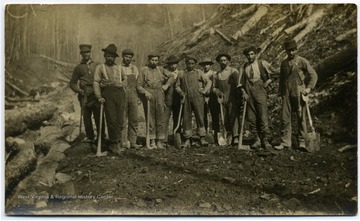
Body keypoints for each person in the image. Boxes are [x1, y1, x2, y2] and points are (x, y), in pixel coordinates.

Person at [274, 39, 318, 150]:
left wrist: (308, 88)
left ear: (296, 50)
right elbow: (282, 80)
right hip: (286, 92)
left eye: (293, 50)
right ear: (286, 51)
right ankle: (285, 142)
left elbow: (313, 75)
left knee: (300, 117)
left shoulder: (302, 61)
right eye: (289, 51)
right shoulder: (284, 63)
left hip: (299, 91)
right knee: (285, 117)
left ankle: (302, 142)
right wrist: (280, 94)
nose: (291, 53)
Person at [238, 46, 277, 149]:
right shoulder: (244, 67)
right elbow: (240, 83)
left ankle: (265, 139)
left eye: (252, 54)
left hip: (260, 90)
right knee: (251, 117)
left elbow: (275, 72)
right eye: (248, 55)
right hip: (248, 91)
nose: (250, 56)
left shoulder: (262, 63)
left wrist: (268, 81)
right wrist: (243, 92)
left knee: (263, 114)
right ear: (246, 56)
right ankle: (257, 139)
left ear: (255, 54)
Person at [93, 44, 127, 154]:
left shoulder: (120, 68)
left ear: (115, 57)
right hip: (108, 94)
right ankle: (113, 144)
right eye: (108, 56)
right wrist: (99, 96)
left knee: (120, 120)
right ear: (105, 56)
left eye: (112, 56)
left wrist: (122, 84)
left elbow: (125, 80)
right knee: (112, 120)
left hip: (120, 94)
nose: (110, 58)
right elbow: (96, 82)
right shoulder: (100, 68)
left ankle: (118, 141)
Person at [137, 53, 174, 149]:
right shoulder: (143, 70)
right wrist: (145, 92)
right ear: (149, 60)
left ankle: (159, 140)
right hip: (149, 94)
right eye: (152, 60)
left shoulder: (160, 69)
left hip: (159, 93)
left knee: (160, 117)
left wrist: (166, 85)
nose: (154, 62)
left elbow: (172, 76)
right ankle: (152, 140)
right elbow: (138, 85)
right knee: (150, 118)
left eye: (156, 60)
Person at [70, 44, 104, 144]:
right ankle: (90, 136)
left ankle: (101, 137)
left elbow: (103, 78)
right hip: (84, 94)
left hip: (96, 92)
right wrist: (78, 90)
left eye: (87, 52)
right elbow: (72, 83)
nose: (86, 54)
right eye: (84, 53)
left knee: (99, 115)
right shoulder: (78, 68)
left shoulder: (97, 65)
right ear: (81, 54)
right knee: (86, 115)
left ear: (90, 53)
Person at [175, 55, 211, 147]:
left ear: (195, 64)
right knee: (186, 118)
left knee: (200, 116)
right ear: (186, 64)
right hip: (186, 97)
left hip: (198, 97)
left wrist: (204, 90)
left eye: (192, 63)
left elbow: (209, 82)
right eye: (189, 63)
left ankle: (202, 138)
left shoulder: (199, 72)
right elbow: (177, 86)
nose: (190, 65)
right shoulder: (181, 73)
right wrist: (181, 93)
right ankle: (187, 139)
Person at [212, 53, 241, 145]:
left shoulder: (233, 71)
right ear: (218, 62)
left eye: (225, 60)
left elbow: (239, 84)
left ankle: (236, 136)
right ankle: (229, 135)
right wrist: (216, 91)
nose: (223, 62)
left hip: (232, 97)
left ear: (228, 61)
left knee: (233, 116)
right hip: (222, 99)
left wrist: (239, 96)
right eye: (221, 61)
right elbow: (214, 87)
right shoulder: (216, 74)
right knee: (224, 117)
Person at [120, 49, 142, 149]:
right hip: (122, 95)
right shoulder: (118, 68)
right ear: (123, 57)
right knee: (122, 120)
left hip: (133, 94)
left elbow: (138, 83)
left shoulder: (134, 69)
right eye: (126, 57)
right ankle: (123, 142)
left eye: (130, 57)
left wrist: (138, 97)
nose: (128, 59)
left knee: (134, 119)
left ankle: (133, 141)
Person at [163, 55, 181, 146]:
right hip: (167, 100)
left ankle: (176, 138)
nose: (172, 66)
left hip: (177, 100)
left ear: (177, 64)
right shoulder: (165, 74)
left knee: (177, 119)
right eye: (170, 64)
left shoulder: (181, 73)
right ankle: (164, 140)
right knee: (165, 119)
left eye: (174, 64)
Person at [198, 57, 218, 141]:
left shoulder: (214, 74)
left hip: (213, 97)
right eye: (204, 65)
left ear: (210, 65)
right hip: (203, 97)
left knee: (214, 115)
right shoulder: (200, 74)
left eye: (207, 64)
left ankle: (216, 132)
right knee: (203, 115)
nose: (205, 66)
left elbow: (216, 85)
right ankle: (205, 133)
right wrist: (203, 91)